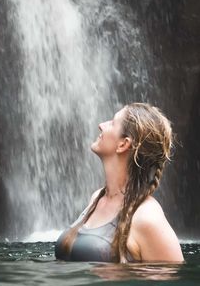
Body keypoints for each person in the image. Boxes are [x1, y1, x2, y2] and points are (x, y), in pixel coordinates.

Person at [54, 103, 184, 263]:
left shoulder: (146, 216)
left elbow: (169, 284)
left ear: (123, 144)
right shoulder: (97, 198)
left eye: (112, 123)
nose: (101, 125)